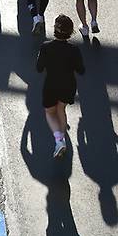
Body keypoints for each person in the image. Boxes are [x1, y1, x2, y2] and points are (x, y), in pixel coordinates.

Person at [36, 14, 85, 158]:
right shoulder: (74, 50)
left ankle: (59, 140)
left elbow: (39, 68)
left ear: (55, 30)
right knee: (61, 110)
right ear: (70, 32)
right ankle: (61, 139)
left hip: (51, 84)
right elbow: (81, 70)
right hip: (68, 85)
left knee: (50, 112)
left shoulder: (46, 47)